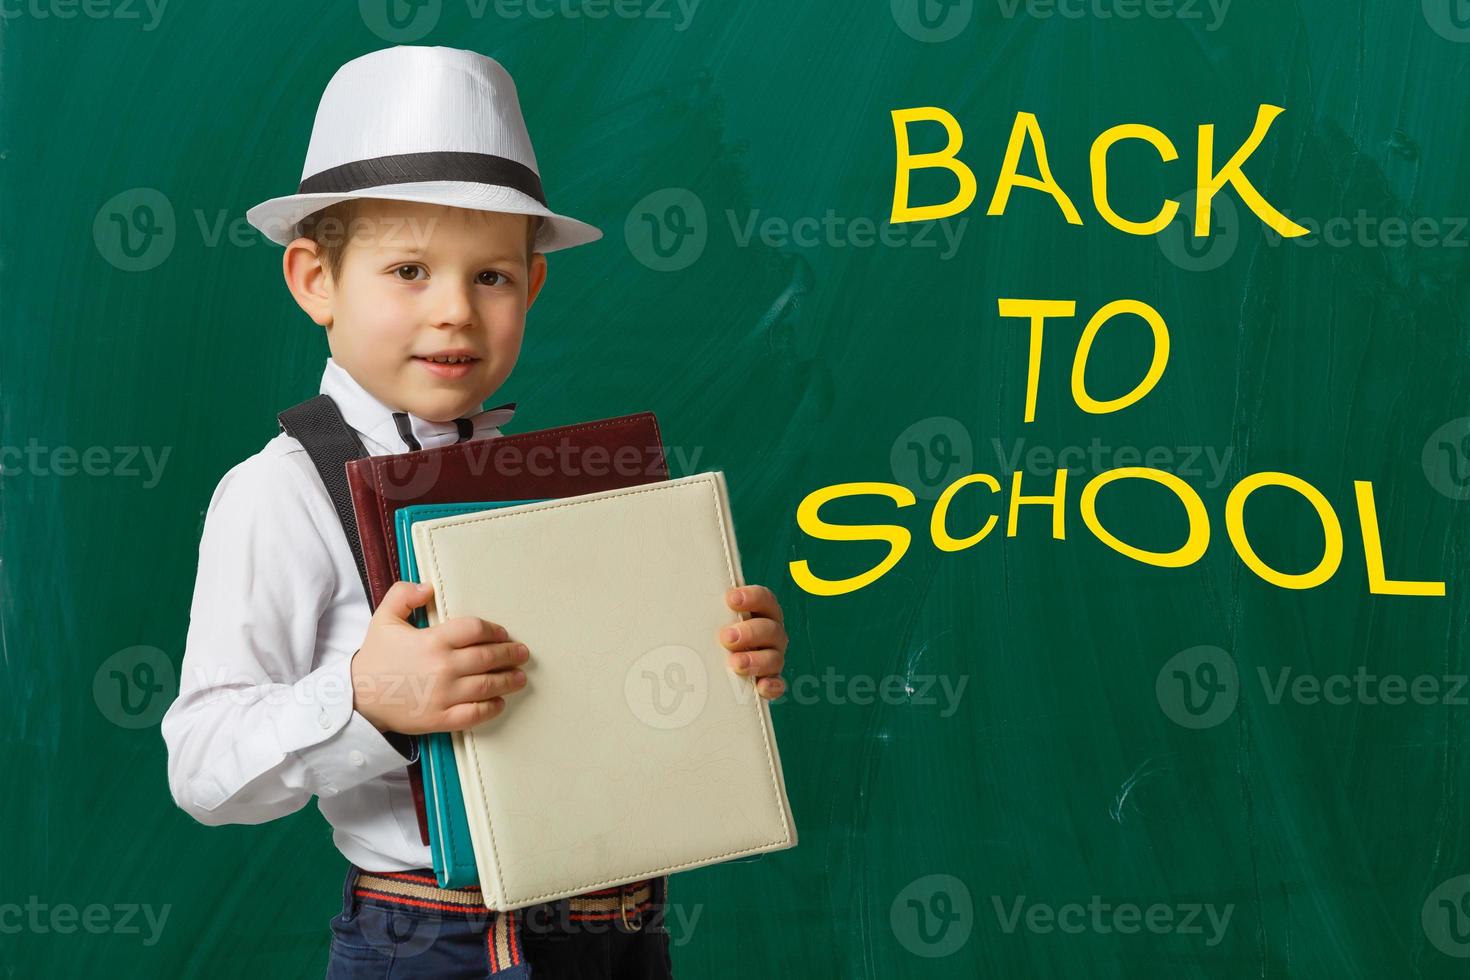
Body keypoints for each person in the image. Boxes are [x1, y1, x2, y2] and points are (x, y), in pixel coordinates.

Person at [160, 44, 789, 979]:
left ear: (531, 288)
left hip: (616, 929)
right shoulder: (279, 491)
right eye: (409, 270)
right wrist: (368, 701)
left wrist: (718, 657)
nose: (455, 311)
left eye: (490, 277)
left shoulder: (546, 485)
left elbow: (598, 695)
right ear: (314, 281)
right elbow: (203, 768)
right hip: (431, 941)